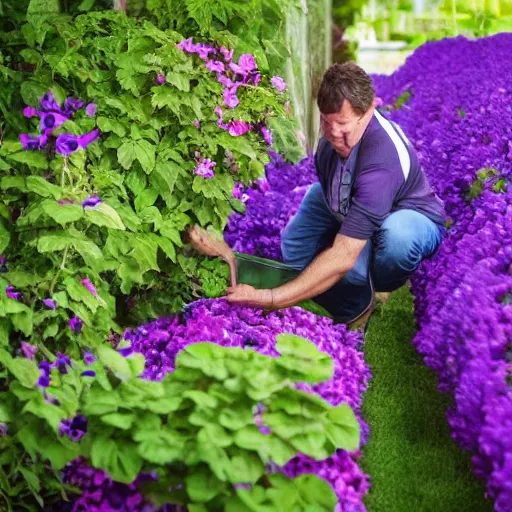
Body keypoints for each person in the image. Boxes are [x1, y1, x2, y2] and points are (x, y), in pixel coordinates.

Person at [189, 62, 445, 328]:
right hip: (357, 201)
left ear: (368, 111)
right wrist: (228, 254)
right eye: (326, 121)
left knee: (390, 244)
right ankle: (324, 286)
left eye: (343, 126)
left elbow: (344, 253)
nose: (333, 134)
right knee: (296, 246)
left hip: (410, 216)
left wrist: (271, 298)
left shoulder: (380, 163)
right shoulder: (331, 142)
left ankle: (375, 290)